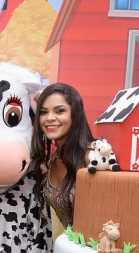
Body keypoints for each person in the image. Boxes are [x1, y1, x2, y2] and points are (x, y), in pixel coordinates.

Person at [31, 83, 95, 228]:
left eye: (59, 111)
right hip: (68, 241)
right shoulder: (53, 158)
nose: (49, 118)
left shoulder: (91, 158)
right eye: (43, 112)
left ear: (75, 114)